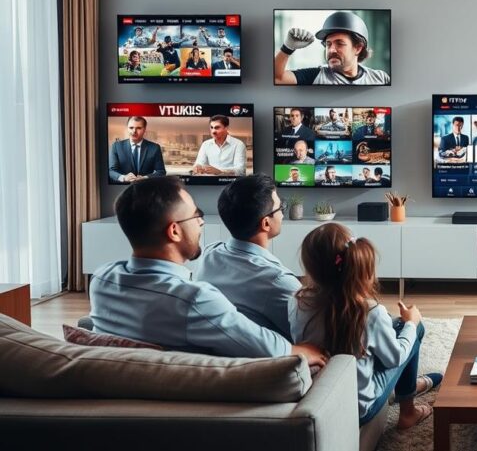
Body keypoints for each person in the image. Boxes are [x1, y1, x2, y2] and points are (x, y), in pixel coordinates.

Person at [89, 177, 326, 366]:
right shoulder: (194, 299)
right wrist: (301, 350)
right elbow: (269, 348)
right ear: (174, 231)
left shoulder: (100, 279)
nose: (202, 222)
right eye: (196, 215)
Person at [290, 224, 442, 429]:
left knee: (396, 326)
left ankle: (409, 386)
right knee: (414, 329)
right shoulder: (369, 312)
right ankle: (408, 412)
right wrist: (411, 323)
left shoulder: (298, 301)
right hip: (360, 407)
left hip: (322, 397)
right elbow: (395, 358)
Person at [194, 175, 300, 339]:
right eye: (281, 208)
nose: (282, 214)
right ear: (266, 223)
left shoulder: (209, 254)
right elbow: (310, 334)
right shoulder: (278, 281)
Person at [274, 11, 391, 85]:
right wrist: (287, 48)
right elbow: (277, 78)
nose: (331, 50)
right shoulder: (316, 76)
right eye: (328, 44)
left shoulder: (380, 78)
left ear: (358, 48)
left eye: (339, 43)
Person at [109, 116, 167, 183]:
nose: (134, 131)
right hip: (122, 188)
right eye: (131, 128)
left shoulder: (154, 148)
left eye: (138, 128)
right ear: (127, 128)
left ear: (144, 129)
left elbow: (161, 172)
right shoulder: (116, 146)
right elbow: (111, 171)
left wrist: (146, 178)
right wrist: (123, 177)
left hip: (146, 188)